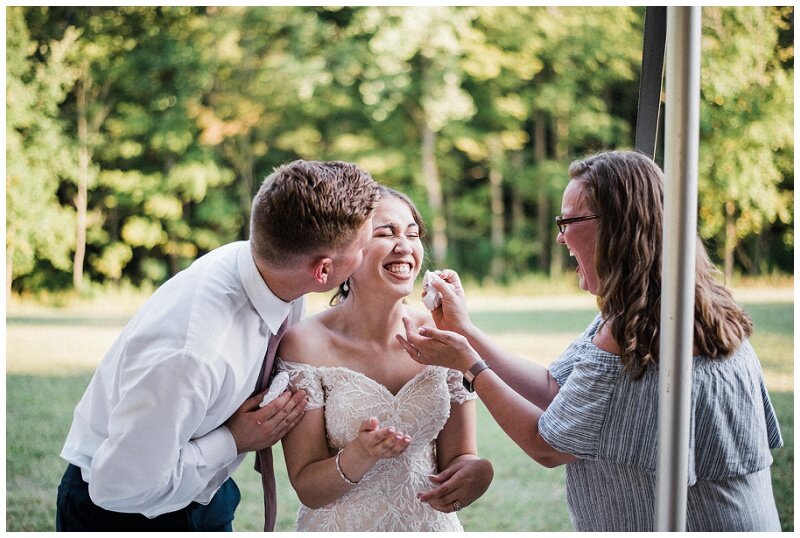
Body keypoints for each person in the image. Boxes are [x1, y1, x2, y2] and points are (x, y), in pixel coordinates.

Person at [398, 150, 783, 531]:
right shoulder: (650, 305)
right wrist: (466, 331)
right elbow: (555, 388)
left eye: (567, 221)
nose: (560, 238)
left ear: (616, 224)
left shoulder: (641, 327)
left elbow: (545, 445)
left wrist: (471, 365)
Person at [57, 160, 381, 532]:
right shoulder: (193, 352)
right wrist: (233, 439)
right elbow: (117, 488)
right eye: (363, 245)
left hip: (206, 495)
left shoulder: (277, 274)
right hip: (123, 513)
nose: (368, 251)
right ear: (323, 271)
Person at [275, 186, 494, 531]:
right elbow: (306, 487)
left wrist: (478, 473)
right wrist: (359, 454)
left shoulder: (442, 333)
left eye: (412, 233)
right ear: (347, 251)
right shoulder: (304, 344)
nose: (405, 246)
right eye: (385, 233)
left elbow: (461, 458)